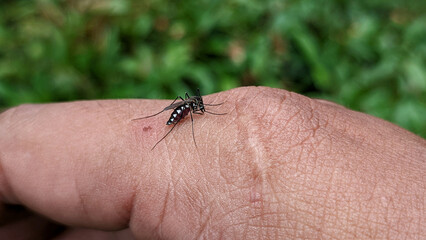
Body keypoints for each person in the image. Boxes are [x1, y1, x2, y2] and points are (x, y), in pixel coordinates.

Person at [0, 87, 424, 239]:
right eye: (196, 106)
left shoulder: (196, 106)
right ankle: (165, 123)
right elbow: (187, 105)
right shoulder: (188, 108)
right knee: (178, 115)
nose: (194, 108)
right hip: (174, 114)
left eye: (196, 106)